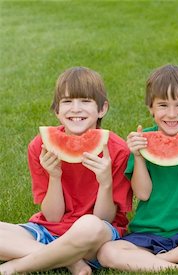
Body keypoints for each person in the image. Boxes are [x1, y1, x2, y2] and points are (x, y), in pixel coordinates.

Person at [97, 64, 178, 272]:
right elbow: (142, 193)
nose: (171, 114)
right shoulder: (142, 142)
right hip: (148, 232)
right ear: (151, 108)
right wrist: (138, 156)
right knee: (107, 252)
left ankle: (162, 263)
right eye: (162, 105)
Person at [0, 67, 133, 275]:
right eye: (68, 101)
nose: (76, 109)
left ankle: (16, 266)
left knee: (89, 224)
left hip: (95, 240)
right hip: (49, 232)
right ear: (57, 110)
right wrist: (54, 175)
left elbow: (104, 220)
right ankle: (70, 261)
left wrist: (105, 182)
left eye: (85, 101)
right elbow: (52, 217)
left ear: (102, 109)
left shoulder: (118, 150)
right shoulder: (40, 146)